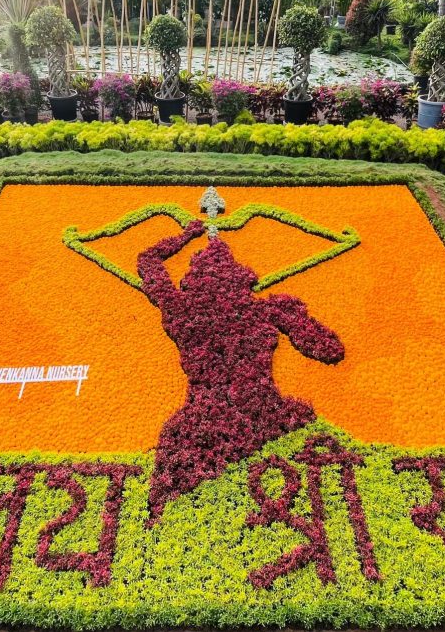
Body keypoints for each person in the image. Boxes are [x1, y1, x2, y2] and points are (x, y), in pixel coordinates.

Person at [137, 219, 344, 524]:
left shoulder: (181, 310)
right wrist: (291, 316)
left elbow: (147, 261)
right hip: (270, 418)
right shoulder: (265, 310)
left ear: (191, 282)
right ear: (243, 279)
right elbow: (330, 350)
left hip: (203, 427)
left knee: (167, 505)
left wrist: (187, 236)